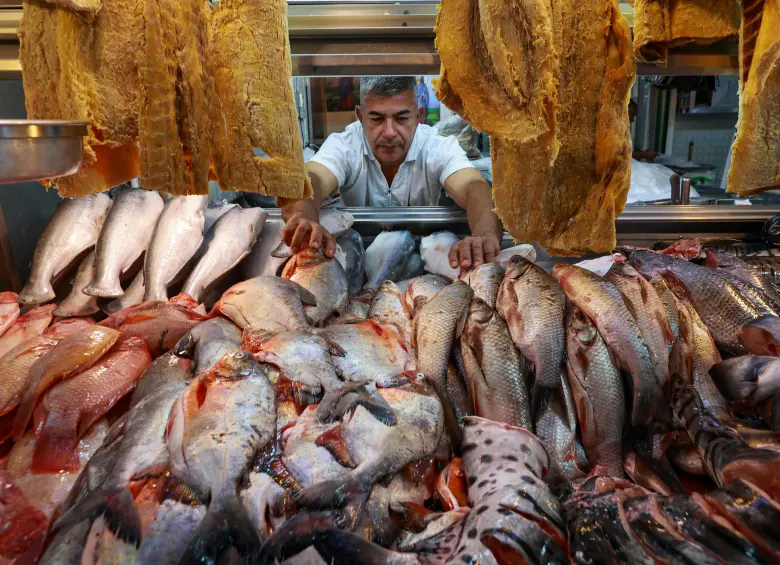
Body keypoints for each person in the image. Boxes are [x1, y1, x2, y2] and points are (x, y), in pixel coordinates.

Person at [280, 76, 504, 270]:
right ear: (360, 116)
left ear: (419, 116)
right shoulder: (346, 144)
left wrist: (484, 234)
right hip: (353, 258)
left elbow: (474, 187)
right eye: (376, 119)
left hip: (425, 259)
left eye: (402, 118)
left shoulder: (436, 146)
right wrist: (304, 218)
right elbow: (311, 180)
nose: (388, 132)